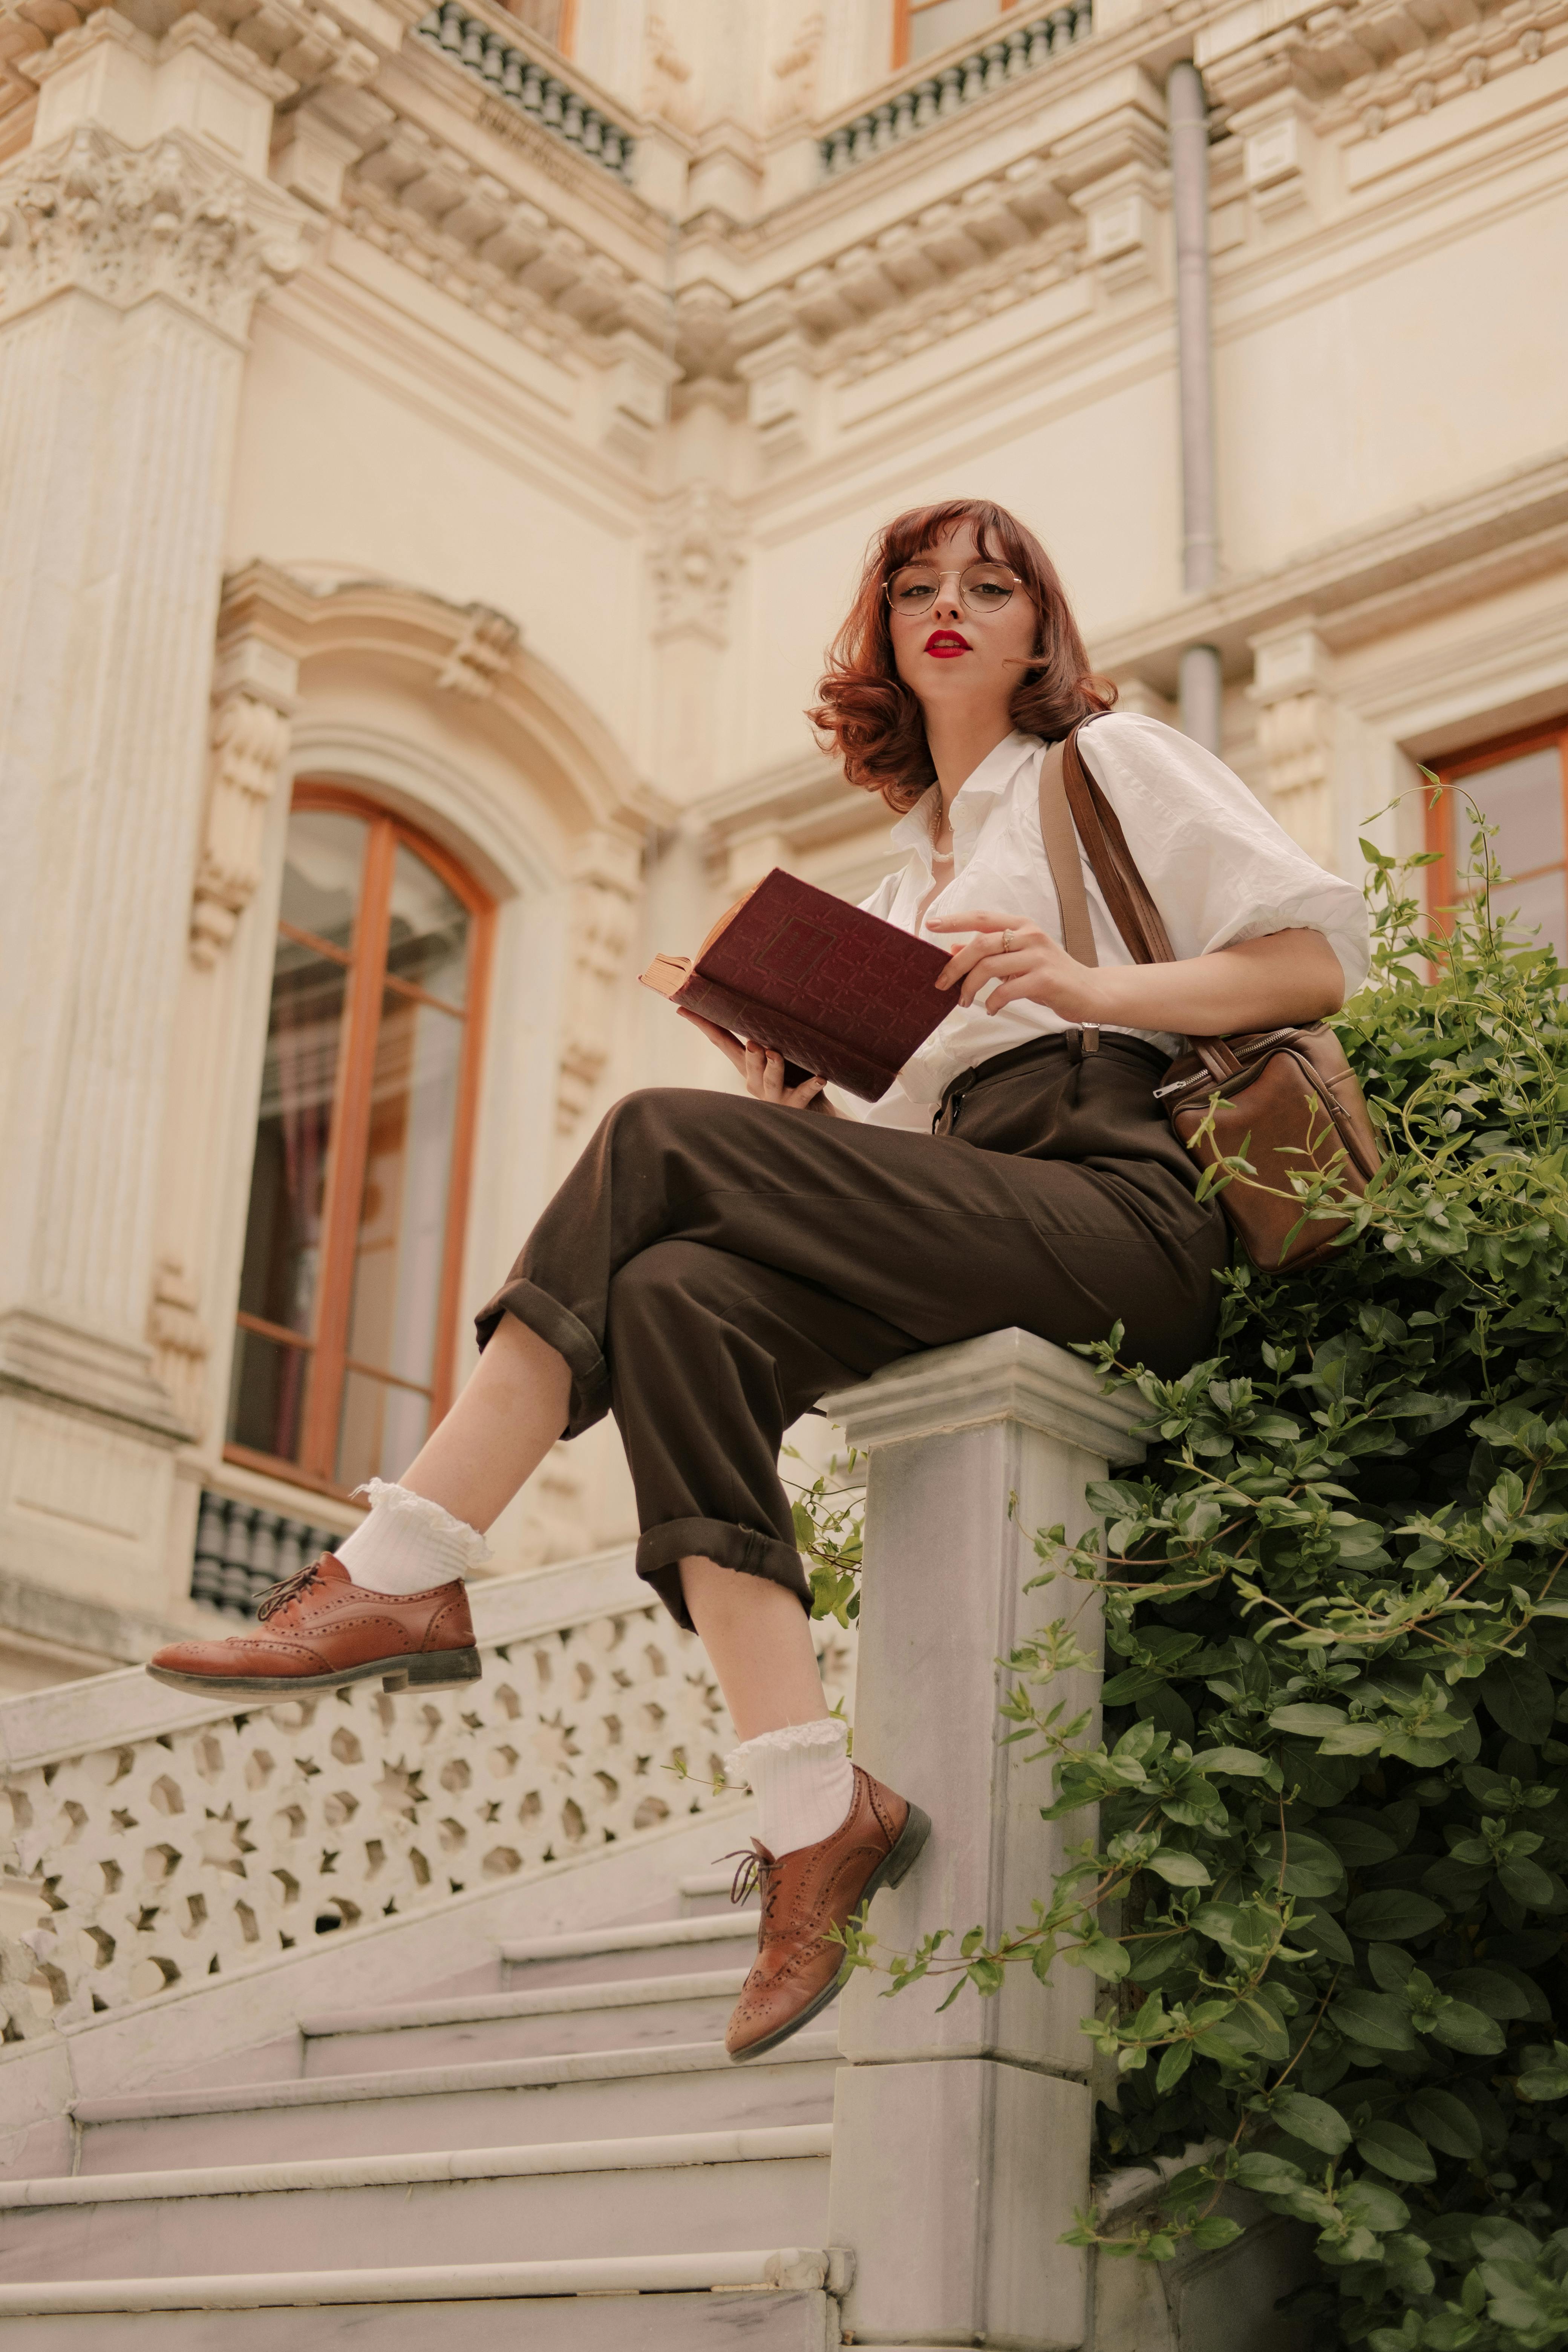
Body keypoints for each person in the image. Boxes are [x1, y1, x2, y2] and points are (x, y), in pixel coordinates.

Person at [149, 499, 1369, 2063]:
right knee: (677, 1299)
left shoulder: (1100, 765)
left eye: (987, 588)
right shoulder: (899, 873)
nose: (948, 608)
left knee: (658, 1141)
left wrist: (1085, 981)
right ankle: (811, 1804)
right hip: (983, 1194)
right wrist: (789, 1097)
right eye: (913, 587)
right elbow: (904, 1144)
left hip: (1124, 1197)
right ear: (879, 635)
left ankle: (402, 1565)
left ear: (1036, 628)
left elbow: (1306, 965)